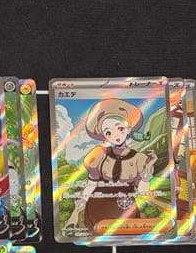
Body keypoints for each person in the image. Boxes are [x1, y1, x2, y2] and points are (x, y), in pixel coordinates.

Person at [66, 98, 158, 233]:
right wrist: (75, 214)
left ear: (128, 129)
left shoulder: (139, 159)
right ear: (104, 136)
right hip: (97, 209)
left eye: (120, 128)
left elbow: (143, 192)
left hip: (125, 209)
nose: (115, 135)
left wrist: (148, 168)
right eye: (108, 132)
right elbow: (90, 186)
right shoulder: (99, 155)